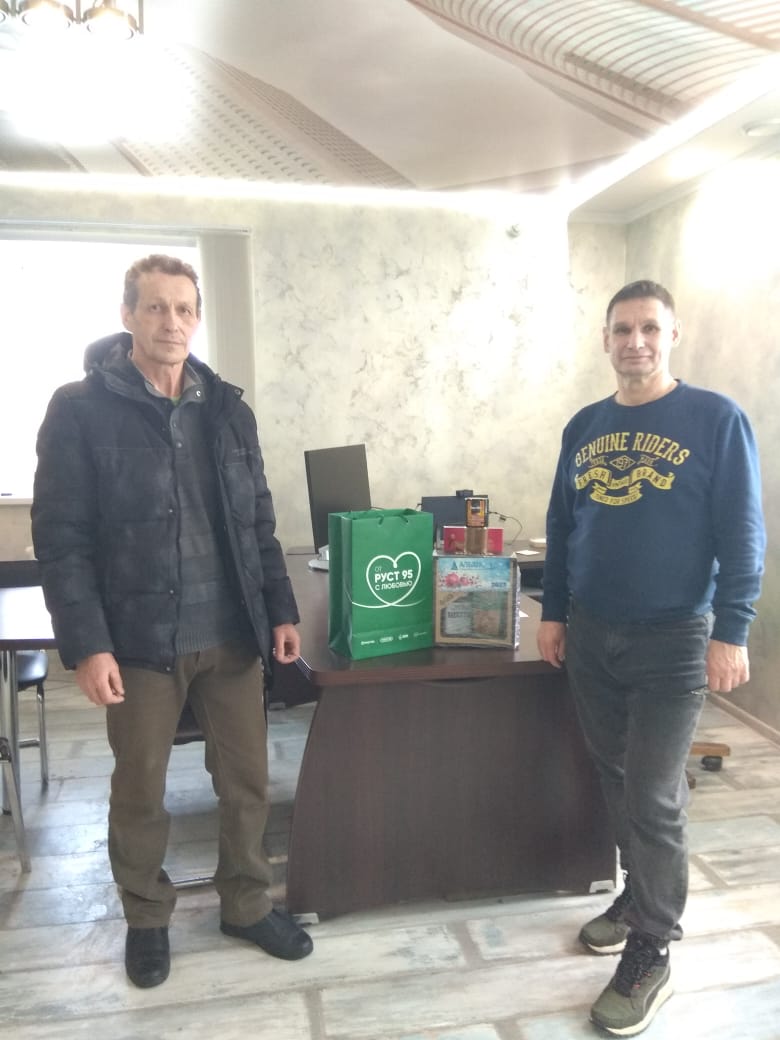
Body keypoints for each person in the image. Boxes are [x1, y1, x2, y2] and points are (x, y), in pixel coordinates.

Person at [32, 254, 313, 988]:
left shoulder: (228, 410)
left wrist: (280, 609)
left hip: (232, 634)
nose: (172, 322)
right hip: (139, 642)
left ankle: (246, 905)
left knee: (247, 782)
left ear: (197, 317)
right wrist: (88, 646)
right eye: (156, 307)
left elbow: (258, 522)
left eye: (184, 308)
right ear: (127, 315)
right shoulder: (79, 410)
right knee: (140, 791)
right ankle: (147, 917)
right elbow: (61, 539)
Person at [537, 280, 765, 1037]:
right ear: (605, 339)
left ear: (673, 337)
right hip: (593, 633)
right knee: (614, 775)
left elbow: (743, 532)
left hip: (674, 638)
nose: (635, 341)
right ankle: (639, 894)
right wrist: (555, 612)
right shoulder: (585, 426)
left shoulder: (715, 419)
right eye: (622, 329)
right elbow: (563, 525)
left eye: (650, 329)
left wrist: (733, 629)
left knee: (654, 793)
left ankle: (652, 948)